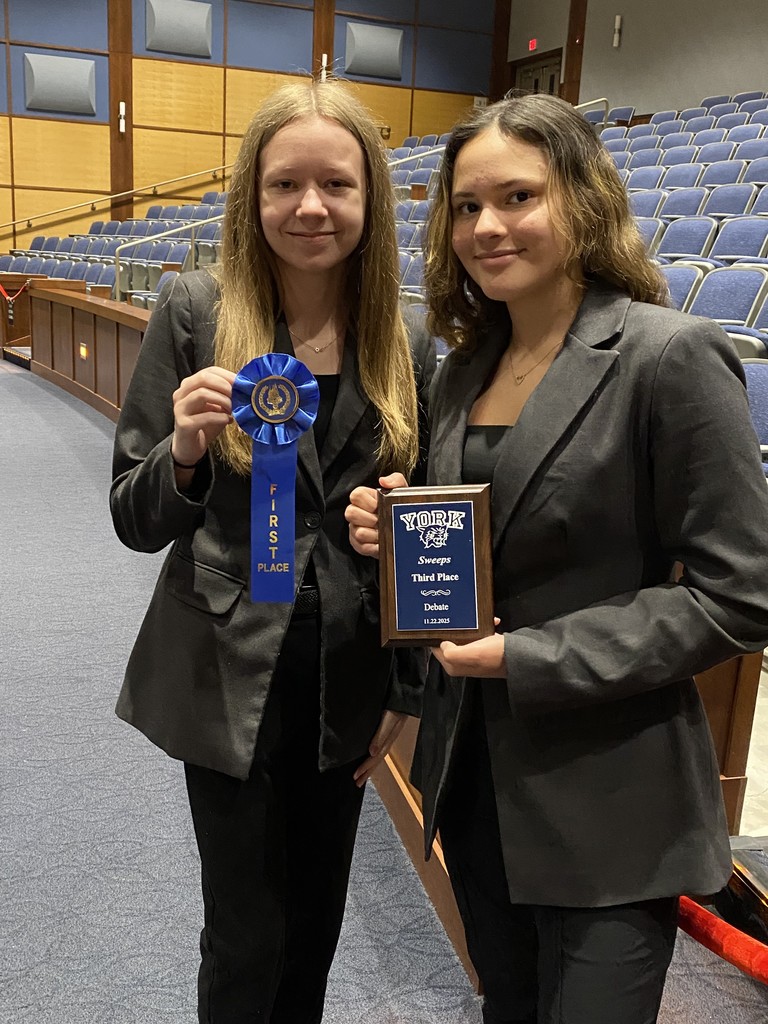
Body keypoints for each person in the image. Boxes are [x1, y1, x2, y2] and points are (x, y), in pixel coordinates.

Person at [346, 92, 768, 1024]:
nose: (487, 226)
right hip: (479, 785)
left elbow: (741, 595)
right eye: (465, 206)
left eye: (518, 197)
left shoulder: (671, 355)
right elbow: (479, 541)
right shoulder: (461, 366)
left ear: (581, 198)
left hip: (611, 799)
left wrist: (531, 657)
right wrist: (396, 532)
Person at [110, 78, 433, 1024]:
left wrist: (405, 695)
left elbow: (430, 536)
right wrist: (185, 452)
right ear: (251, 196)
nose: (310, 208)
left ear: (371, 196)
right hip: (224, 669)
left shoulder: (410, 337)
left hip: (346, 677)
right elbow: (135, 517)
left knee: (316, 926)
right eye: (284, 184)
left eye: (337, 184)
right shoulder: (192, 309)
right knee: (246, 933)